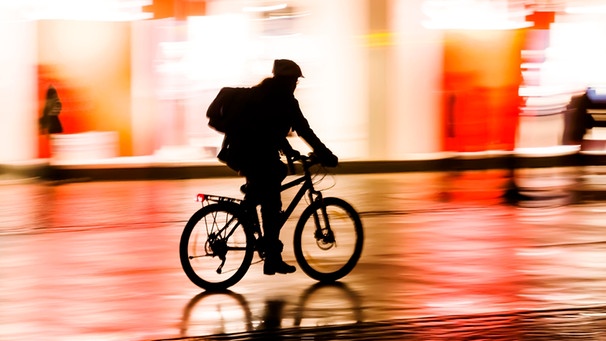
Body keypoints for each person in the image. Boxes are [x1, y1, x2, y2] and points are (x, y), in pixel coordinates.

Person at [229, 59, 338, 275]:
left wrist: (289, 152)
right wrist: (326, 154)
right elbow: (303, 130)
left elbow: (269, 131)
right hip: (256, 155)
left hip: (243, 152)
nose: (296, 83)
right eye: (295, 80)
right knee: (272, 201)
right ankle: (272, 258)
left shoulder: (264, 94)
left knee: (271, 184)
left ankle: (254, 213)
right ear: (287, 80)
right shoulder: (284, 100)